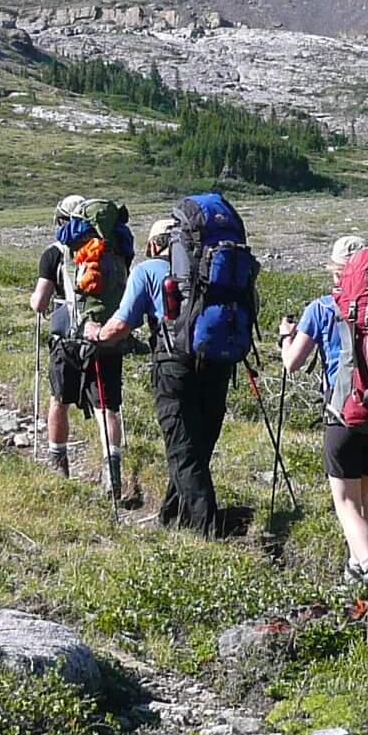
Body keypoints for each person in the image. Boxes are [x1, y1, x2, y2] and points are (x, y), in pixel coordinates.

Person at [89, 214, 235, 536]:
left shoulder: (147, 270)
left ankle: (209, 532)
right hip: (219, 366)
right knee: (195, 448)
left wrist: (97, 335)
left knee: (183, 450)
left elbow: (121, 325)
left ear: (155, 244)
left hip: (174, 367)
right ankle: (172, 518)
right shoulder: (212, 270)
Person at [279, 235, 368, 595]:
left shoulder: (321, 308)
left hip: (343, 413)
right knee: (362, 499)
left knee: (345, 502)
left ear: (336, 271)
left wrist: (286, 336)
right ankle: (354, 570)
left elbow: (292, 364)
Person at [29, 194, 127, 490]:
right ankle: (113, 474)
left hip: (68, 340)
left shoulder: (55, 254)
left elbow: (39, 303)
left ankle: (59, 465)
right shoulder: (116, 249)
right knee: (107, 406)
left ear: (62, 220)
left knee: (60, 400)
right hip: (106, 336)